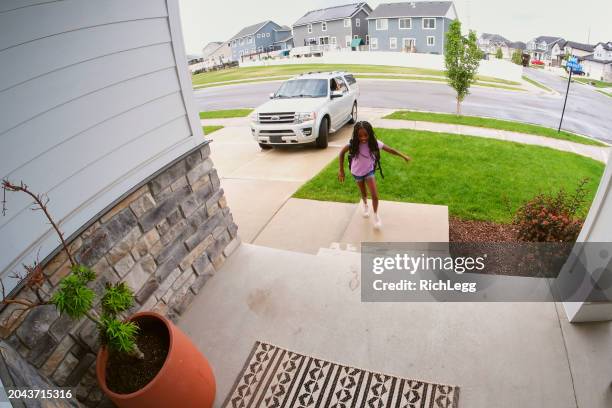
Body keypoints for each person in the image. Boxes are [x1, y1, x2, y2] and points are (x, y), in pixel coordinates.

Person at [338, 121, 411, 229]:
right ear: (356, 135)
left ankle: (376, 216)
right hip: (357, 172)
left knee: (375, 195)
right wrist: (341, 170)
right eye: (360, 136)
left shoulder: (374, 143)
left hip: (369, 171)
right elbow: (341, 153)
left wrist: (403, 156)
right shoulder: (353, 144)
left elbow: (390, 149)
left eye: (365, 135)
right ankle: (365, 205)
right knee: (363, 193)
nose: (363, 138)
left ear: (370, 134)